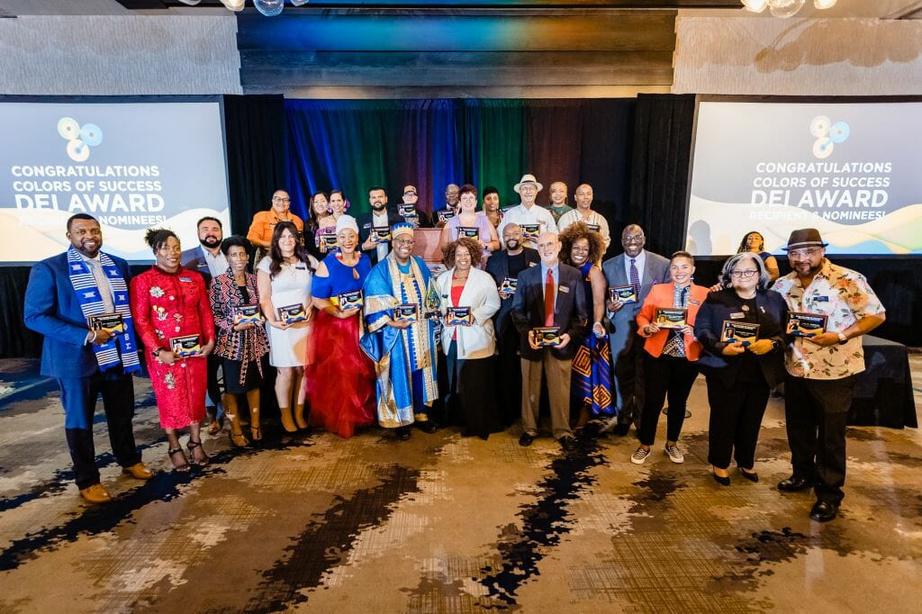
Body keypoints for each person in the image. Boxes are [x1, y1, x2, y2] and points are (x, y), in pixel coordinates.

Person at [23, 213, 152, 504]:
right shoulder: (50, 268)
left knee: (122, 413)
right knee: (80, 420)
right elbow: (34, 317)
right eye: (81, 231)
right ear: (69, 236)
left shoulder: (118, 264)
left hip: (117, 352)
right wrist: (86, 335)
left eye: (94, 230)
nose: (89, 236)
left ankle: (129, 460)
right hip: (76, 358)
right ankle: (88, 480)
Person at [772, 228, 885, 522]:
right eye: (795, 253)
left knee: (830, 436)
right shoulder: (783, 284)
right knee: (798, 428)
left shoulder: (847, 279)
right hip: (796, 367)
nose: (802, 259)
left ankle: (829, 494)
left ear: (822, 251)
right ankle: (802, 475)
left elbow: (876, 315)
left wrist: (841, 336)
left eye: (809, 252)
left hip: (836, 370)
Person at [694, 252, 787, 485]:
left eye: (749, 271)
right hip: (725, 370)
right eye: (737, 271)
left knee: (751, 420)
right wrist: (720, 347)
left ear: (759, 274)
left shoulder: (774, 299)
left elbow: (787, 331)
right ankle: (720, 463)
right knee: (723, 419)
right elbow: (702, 329)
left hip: (760, 372)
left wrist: (773, 344)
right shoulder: (716, 298)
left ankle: (746, 461)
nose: (743, 275)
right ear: (729, 274)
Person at [131, 228, 216, 471]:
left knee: (196, 395)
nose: (173, 252)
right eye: (166, 248)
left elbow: (204, 311)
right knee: (169, 398)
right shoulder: (143, 281)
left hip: (195, 350)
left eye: (176, 247)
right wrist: (158, 351)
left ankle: (195, 441)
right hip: (164, 353)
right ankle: (174, 445)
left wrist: (210, 341)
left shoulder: (195, 278)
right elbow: (141, 320)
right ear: (155, 251)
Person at [361, 222, 440, 440]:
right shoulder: (381, 269)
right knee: (399, 372)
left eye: (409, 241)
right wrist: (392, 322)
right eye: (401, 241)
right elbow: (373, 301)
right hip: (396, 333)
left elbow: (431, 292)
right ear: (393, 242)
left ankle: (421, 413)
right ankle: (401, 418)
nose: (406, 245)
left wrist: (432, 308)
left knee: (421, 369)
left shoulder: (419, 264)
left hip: (421, 328)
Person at [511, 231, 588, 452]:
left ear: (559, 245)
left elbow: (581, 314)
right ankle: (529, 429)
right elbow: (517, 311)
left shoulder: (573, 275)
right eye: (542, 245)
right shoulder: (526, 276)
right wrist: (527, 333)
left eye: (550, 244)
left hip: (561, 343)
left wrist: (570, 335)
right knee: (530, 388)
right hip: (532, 343)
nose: (546, 248)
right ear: (537, 248)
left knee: (561, 391)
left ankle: (562, 431)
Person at [631, 251, 708, 465]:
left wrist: (695, 331)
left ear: (692, 269)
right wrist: (647, 327)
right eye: (674, 267)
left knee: (678, 402)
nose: (679, 271)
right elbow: (642, 316)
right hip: (658, 354)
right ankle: (645, 444)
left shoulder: (704, 293)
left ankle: (672, 443)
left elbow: (710, 323)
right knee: (652, 401)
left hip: (688, 356)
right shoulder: (658, 290)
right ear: (670, 270)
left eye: (684, 267)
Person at [305, 215, 376, 438]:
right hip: (337, 326)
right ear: (337, 238)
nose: (347, 240)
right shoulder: (327, 264)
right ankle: (344, 420)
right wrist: (338, 313)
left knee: (364, 372)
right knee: (343, 374)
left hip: (362, 323)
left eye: (351, 236)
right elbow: (317, 299)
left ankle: (362, 415)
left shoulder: (365, 260)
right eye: (343, 236)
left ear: (357, 237)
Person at [601, 225, 670, 435]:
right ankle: (623, 417)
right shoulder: (608, 265)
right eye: (627, 238)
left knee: (645, 376)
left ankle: (642, 421)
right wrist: (609, 307)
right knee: (621, 374)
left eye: (637, 237)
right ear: (621, 241)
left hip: (651, 328)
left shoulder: (662, 264)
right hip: (621, 327)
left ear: (644, 239)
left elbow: (668, 295)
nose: (632, 241)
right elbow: (603, 298)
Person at [435, 237, 501, 438]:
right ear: (452, 257)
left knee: (474, 384)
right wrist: (443, 315)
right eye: (458, 254)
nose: (463, 258)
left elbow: (494, 303)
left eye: (466, 254)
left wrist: (475, 316)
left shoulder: (484, 278)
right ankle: (455, 419)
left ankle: (477, 424)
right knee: (453, 382)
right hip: (452, 337)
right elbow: (437, 305)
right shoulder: (442, 279)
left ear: (473, 255)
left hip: (476, 337)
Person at [209, 235, 271, 447]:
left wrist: (262, 318)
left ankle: (255, 426)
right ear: (227, 258)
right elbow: (215, 314)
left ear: (248, 257)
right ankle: (235, 430)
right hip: (231, 344)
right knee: (232, 389)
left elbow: (263, 305)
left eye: (242, 254)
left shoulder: (254, 280)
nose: (239, 258)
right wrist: (233, 325)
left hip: (255, 342)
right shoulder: (219, 282)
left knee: (254, 385)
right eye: (234, 255)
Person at [257, 221, 314, 435]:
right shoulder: (267, 263)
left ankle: (299, 412)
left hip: (305, 323)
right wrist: (272, 320)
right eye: (283, 237)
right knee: (286, 371)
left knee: (303, 369)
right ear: (276, 240)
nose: (288, 240)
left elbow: (318, 289)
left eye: (291, 236)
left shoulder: (308, 260)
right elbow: (264, 297)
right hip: (280, 326)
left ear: (297, 239)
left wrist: (311, 307)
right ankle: (285, 414)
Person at [485, 223, 541, 427]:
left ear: (522, 235)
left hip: (530, 317)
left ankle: (532, 412)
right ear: (502, 236)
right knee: (507, 365)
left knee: (530, 364)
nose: (511, 237)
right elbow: (488, 286)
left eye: (515, 233)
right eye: (507, 234)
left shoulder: (535, 255)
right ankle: (508, 411)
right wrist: (497, 292)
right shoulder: (494, 260)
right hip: (505, 317)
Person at [558, 222, 614, 428]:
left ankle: (584, 415)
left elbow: (599, 302)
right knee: (566, 375)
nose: (580, 252)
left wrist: (597, 323)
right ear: (568, 248)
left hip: (588, 330)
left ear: (591, 251)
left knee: (585, 376)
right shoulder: (562, 268)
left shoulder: (594, 272)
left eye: (585, 249)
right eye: (576, 248)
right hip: (566, 328)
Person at [180, 215, 228, 435]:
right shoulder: (186, 258)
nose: (211, 233)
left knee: (231, 370)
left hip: (231, 324)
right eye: (205, 229)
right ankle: (214, 414)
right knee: (207, 373)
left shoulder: (232, 253)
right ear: (198, 233)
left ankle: (236, 412)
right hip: (202, 325)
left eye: (215, 228)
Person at [438, 184, 500, 262]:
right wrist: (456, 245)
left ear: (476, 202)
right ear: (460, 202)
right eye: (464, 198)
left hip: (484, 264)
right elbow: (443, 248)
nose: (468, 201)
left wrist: (484, 245)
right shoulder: (450, 222)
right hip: (459, 263)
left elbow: (497, 245)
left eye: (471, 198)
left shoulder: (485, 221)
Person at [498, 174, 557, 250]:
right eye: (524, 188)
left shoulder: (545, 214)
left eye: (531, 188)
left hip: (541, 254)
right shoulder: (510, 214)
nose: (528, 191)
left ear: (536, 191)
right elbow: (501, 236)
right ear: (519, 192)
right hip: (516, 254)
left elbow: (555, 236)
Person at [246, 189, 305, 262]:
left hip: (291, 257)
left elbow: (301, 242)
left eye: (285, 200)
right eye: (278, 199)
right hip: (267, 256)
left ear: (289, 203)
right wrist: (273, 245)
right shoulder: (261, 216)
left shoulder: (297, 220)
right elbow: (252, 238)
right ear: (272, 201)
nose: (281, 202)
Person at [557, 184, 612, 253]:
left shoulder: (600, 219)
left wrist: (595, 251)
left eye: (588, 194)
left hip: (593, 258)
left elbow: (605, 241)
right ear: (575, 197)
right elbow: (560, 241)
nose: (585, 197)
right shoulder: (566, 218)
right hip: (571, 258)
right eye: (581, 194)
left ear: (592, 197)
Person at [358, 186, 402, 265]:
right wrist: (364, 246)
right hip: (370, 266)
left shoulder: (398, 219)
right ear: (370, 200)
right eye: (374, 197)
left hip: (394, 264)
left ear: (386, 199)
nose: (377, 200)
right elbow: (354, 244)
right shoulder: (361, 220)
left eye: (380, 197)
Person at [305, 191, 334, 261]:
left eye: (323, 201)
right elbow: (309, 247)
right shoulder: (308, 224)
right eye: (316, 202)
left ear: (329, 203)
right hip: (320, 261)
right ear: (312, 205)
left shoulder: (337, 219)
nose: (320, 204)